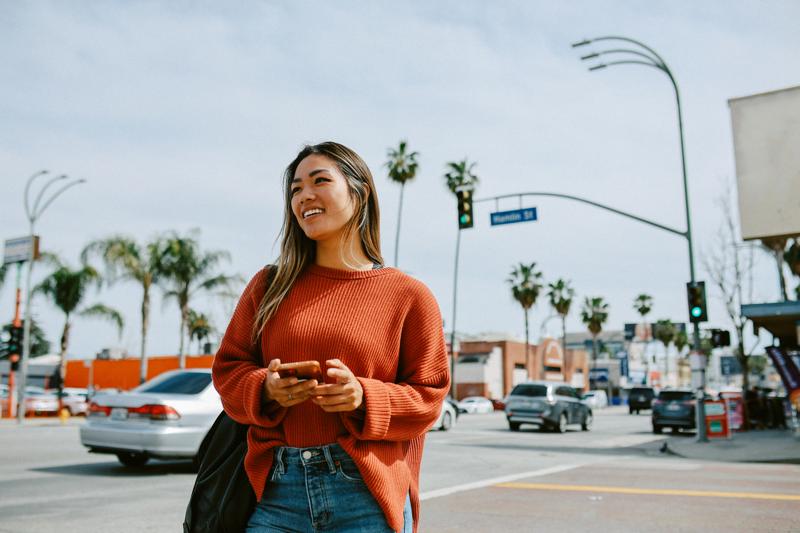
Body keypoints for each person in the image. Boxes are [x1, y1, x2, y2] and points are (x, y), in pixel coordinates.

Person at [212, 141, 450, 533]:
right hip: (276, 492)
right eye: (295, 189)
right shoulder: (268, 286)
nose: (304, 195)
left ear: (360, 193)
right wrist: (265, 389)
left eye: (320, 181)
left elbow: (429, 398)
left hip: (367, 494)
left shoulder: (409, 295)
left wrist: (363, 397)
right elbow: (227, 371)